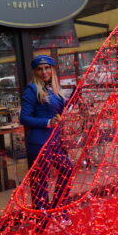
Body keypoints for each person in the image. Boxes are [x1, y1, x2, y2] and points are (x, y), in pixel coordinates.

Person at [20, 55, 72, 216]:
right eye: (40, 69)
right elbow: (23, 118)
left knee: (68, 169)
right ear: (35, 72)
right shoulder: (32, 89)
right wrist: (48, 122)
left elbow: (60, 111)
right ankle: (42, 220)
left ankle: (57, 208)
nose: (44, 72)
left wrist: (75, 94)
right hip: (39, 141)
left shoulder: (53, 89)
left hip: (54, 140)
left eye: (47, 68)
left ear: (52, 69)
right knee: (41, 181)